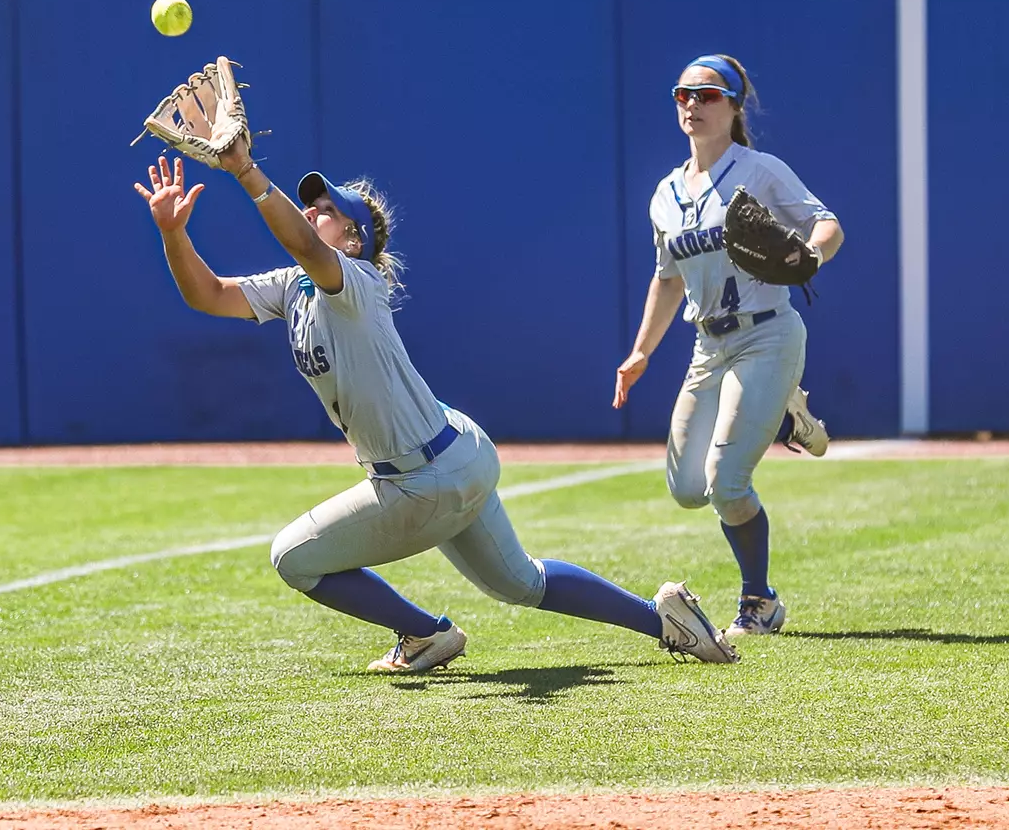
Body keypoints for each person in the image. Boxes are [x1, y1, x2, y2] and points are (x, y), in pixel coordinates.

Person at [134, 141, 736, 672]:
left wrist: (245, 171)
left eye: (328, 212)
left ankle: (425, 633)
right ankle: (666, 620)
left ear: (353, 240)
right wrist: (172, 233)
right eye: (313, 208)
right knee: (522, 582)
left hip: (423, 478)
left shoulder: (353, 283)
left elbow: (299, 242)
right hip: (456, 452)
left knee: (292, 558)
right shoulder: (294, 286)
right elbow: (208, 296)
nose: (315, 214)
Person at [612, 53, 845, 638]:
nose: (693, 103)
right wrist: (640, 352)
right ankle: (785, 418)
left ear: (735, 105)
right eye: (683, 94)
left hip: (767, 331)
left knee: (726, 482)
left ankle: (759, 602)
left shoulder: (759, 169)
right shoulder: (665, 193)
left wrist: (810, 254)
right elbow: (666, 279)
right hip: (707, 345)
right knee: (688, 489)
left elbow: (828, 225)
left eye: (708, 95)